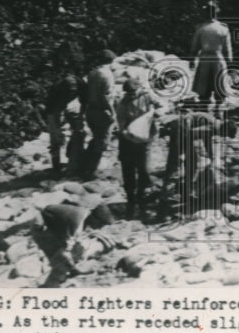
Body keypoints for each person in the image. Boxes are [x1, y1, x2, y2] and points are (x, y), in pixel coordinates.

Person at [116, 71, 160, 217]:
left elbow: (162, 107)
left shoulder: (147, 97)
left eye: (133, 93)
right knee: (128, 170)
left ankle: (142, 199)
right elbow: (121, 122)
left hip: (144, 140)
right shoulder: (122, 102)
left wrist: (156, 113)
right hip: (128, 141)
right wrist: (125, 133)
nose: (131, 96)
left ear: (138, 89)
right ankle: (130, 199)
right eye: (128, 94)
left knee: (143, 169)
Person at [80, 50, 117, 180]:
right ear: (111, 61)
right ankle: (90, 172)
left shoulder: (92, 73)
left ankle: (83, 165)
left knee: (96, 138)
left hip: (90, 110)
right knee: (102, 142)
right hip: (102, 111)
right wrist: (113, 113)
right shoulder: (107, 75)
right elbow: (106, 97)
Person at [191, 2, 232, 114]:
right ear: (216, 14)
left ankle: (204, 111)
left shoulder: (201, 28)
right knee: (220, 87)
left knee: (204, 88)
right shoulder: (223, 29)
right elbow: (227, 49)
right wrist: (229, 63)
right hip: (218, 59)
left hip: (204, 59)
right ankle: (218, 111)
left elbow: (194, 47)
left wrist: (192, 59)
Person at [43, 73, 86, 175]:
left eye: (73, 91)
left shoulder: (81, 84)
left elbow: (85, 101)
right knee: (55, 137)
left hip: (69, 105)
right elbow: (50, 111)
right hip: (54, 109)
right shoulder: (56, 90)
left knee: (79, 130)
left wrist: (81, 116)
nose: (72, 93)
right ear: (64, 89)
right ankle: (56, 165)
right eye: (69, 92)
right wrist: (57, 129)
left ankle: (72, 156)